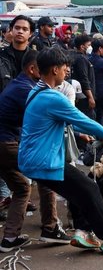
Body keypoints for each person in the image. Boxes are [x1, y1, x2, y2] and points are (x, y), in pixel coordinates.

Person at [18, 48, 103, 255]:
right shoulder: (52, 98)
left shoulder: (36, 92)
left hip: (34, 159)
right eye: (65, 68)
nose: (67, 72)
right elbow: (85, 121)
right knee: (89, 188)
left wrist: (97, 135)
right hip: (42, 161)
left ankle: (84, 233)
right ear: (55, 70)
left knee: (81, 189)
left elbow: (71, 124)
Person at [0, 50, 70, 252]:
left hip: (5, 144)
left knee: (21, 188)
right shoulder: (28, 90)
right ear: (33, 69)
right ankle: (50, 228)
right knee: (46, 176)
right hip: (7, 143)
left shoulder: (20, 84)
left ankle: (10, 239)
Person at [0, 15, 35, 92]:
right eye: (17, 28)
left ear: (30, 33)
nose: (20, 31)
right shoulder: (1, 54)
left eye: (25, 29)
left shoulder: (36, 57)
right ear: (11, 30)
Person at [71, 34, 95, 119]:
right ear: (82, 46)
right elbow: (84, 79)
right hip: (84, 98)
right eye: (88, 45)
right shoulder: (81, 59)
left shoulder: (80, 57)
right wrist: (90, 97)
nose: (90, 47)